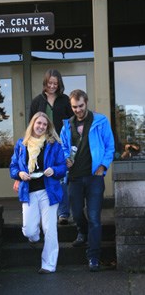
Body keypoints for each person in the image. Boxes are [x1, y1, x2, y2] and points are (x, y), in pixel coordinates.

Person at [60, 89, 115, 272]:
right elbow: (64, 147)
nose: (78, 110)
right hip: (74, 177)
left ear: (87, 102)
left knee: (94, 218)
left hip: (94, 177)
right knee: (76, 214)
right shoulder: (67, 125)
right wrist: (66, 158)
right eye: (74, 107)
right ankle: (82, 232)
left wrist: (103, 166)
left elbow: (110, 146)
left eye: (80, 106)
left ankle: (93, 257)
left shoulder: (100, 121)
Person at [9, 112, 67, 274]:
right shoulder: (22, 145)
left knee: (49, 229)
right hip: (28, 191)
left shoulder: (53, 144)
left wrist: (53, 170)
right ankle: (34, 239)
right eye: (38, 123)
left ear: (48, 127)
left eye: (44, 124)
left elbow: (62, 167)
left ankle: (48, 265)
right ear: (32, 124)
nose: (41, 127)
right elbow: (13, 166)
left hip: (49, 192)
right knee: (29, 230)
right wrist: (19, 174)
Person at [29, 68, 74, 225]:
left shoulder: (65, 100)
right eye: (50, 83)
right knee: (46, 176)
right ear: (45, 83)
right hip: (43, 145)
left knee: (61, 177)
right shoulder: (37, 101)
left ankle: (63, 213)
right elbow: (31, 124)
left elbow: (72, 124)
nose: (53, 86)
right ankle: (45, 213)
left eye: (56, 83)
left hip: (62, 144)